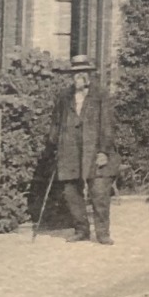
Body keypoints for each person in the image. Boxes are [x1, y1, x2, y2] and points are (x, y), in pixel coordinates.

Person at [47, 54, 118, 245]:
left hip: (94, 149)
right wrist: (54, 143)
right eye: (76, 73)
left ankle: (102, 233)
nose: (79, 76)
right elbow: (56, 122)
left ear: (89, 74)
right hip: (70, 150)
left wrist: (104, 151)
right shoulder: (64, 96)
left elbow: (108, 125)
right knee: (70, 192)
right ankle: (81, 230)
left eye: (83, 72)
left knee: (99, 192)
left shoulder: (101, 95)